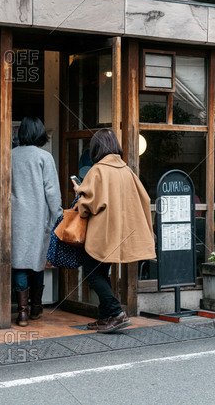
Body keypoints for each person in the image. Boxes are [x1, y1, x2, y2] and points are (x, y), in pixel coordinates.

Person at [73, 129, 156, 333]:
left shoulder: (97, 170)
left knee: (92, 272)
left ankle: (116, 312)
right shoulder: (127, 170)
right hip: (120, 233)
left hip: (101, 233)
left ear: (97, 147)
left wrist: (79, 192)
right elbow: (144, 198)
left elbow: (87, 206)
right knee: (102, 272)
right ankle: (104, 318)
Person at [11, 116, 62, 327]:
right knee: (37, 264)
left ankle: (21, 313)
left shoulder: (10, 156)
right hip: (39, 219)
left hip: (15, 219)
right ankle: (35, 309)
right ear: (40, 133)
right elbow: (52, 191)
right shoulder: (44, 157)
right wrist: (58, 215)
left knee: (19, 264)